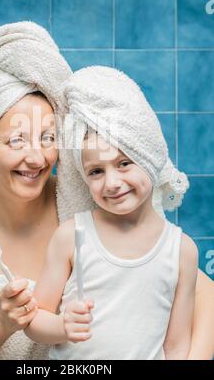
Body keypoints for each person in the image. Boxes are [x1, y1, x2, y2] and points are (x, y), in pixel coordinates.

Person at [0, 29, 214, 359]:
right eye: (17, 141)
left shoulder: (85, 203)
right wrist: (0, 323)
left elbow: (202, 294)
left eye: (48, 138)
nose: (37, 158)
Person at [24, 66, 209, 360]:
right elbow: (35, 321)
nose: (111, 183)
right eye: (96, 171)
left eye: (124, 163)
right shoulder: (71, 236)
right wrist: (61, 326)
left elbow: (176, 346)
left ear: (148, 156)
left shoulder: (181, 251)